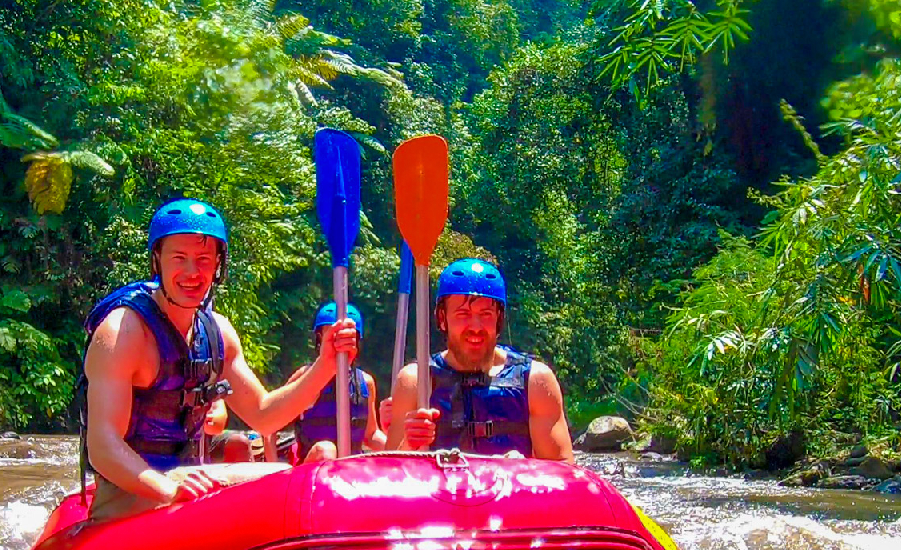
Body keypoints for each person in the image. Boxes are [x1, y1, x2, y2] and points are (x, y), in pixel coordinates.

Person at [80, 198, 359, 519]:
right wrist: (168, 491)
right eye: (179, 258)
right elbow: (103, 447)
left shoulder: (217, 332)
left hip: (188, 477)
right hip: (130, 487)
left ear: (218, 265)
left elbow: (264, 415)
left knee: (283, 471)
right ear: (157, 261)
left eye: (203, 259)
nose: (191, 272)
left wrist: (325, 364)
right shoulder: (122, 333)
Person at [387, 258, 573, 461]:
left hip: (513, 491)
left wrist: (524, 470)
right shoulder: (416, 381)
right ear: (442, 319)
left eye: (485, 314)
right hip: (442, 491)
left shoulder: (536, 381)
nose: (475, 326)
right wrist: (409, 444)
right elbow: (390, 476)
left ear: (498, 320)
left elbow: (565, 473)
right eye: (462, 314)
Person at [282, 302, 386, 459]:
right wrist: (272, 465)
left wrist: (405, 450)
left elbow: (371, 434)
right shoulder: (303, 376)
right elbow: (271, 428)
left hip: (349, 471)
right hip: (312, 471)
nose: (339, 344)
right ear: (320, 339)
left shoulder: (366, 382)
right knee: (326, 450)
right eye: (332, 337)